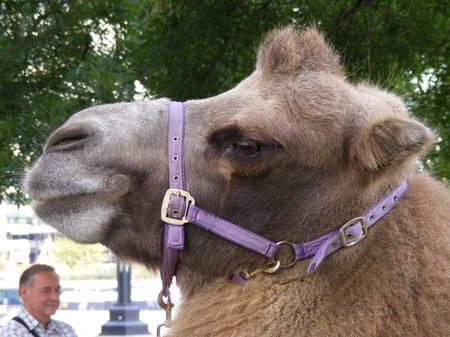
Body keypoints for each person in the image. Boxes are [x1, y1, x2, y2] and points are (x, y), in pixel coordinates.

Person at [0, 264, 77, 337]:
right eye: (46, 291)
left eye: (57, 290)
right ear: (24, 292)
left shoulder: (65, 330)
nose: (55, 297)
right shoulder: (12, 333)